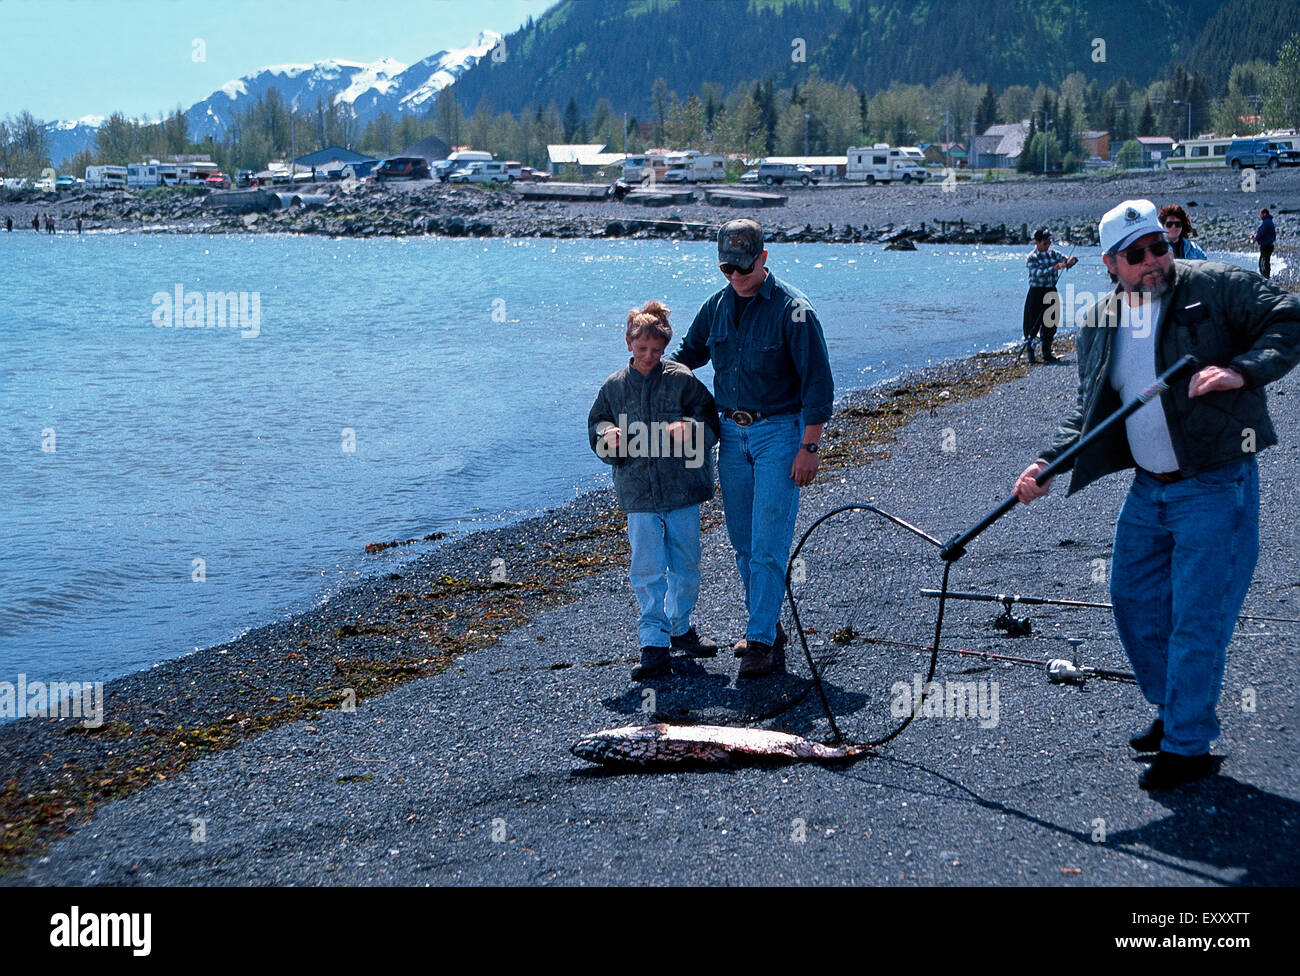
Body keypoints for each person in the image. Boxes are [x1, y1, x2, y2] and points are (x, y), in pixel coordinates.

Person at [1012, 198, 1300, 790]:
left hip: (1216, 482)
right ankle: (1173, 709)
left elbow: (1290, 317)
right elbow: (1089, 411)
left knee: (1197, 618)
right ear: (1110, 263)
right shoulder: (1102, 320)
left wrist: (1242, 369)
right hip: (1150, 488)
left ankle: (1189, 745)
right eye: (1136, 254)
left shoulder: (1215, 286)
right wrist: (1046, 462)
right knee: (1133, 601)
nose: (1152, 261)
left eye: (1158, 247)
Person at [673, 219, 834, 678]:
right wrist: (647, 373)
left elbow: (819, 386)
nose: (736, 276)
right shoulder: (717, 306)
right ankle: (768, 625)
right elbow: (688, 355)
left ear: (763, 259)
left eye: (743, 267)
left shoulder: (795, 312)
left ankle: (761, 641)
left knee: (768, 541)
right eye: (727, 268)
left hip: (781, 435)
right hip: (731, 435)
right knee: (742, 542)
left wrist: (810, 446)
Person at [588, 300, 721, 680]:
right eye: (642, 349)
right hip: (638, 495)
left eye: (657, 351)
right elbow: (596, 425)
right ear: (628, 343)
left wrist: (691, 429)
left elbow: (711, 420)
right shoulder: (613, 387)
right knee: (646, 568)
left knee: (687, 565)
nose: (649, 356)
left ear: (665, 348)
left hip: (683, 492)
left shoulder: (681, 379)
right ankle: (653, 643)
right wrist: (605, 436)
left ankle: (680, 628)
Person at [1022, 227, 1077, 363]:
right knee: (1032, 323)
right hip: (1036, 292)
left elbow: (1065, 261)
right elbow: (1037, 273)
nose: (1048, 245)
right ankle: (1031, 354)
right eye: (1045, 243)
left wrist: (1071, 261)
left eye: (1049, 243)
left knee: (1051, 321)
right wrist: (1054, 268)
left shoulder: (1053, 254)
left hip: (1051, 291)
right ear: (1037, 242)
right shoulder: (1031, 258)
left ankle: (1047, 353)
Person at [1252, 207, 1275, 279]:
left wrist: (1254, 237)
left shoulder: (1266, 222)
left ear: (1264, 214)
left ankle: (1265, 278)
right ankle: (1267, 277)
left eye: (1260, 214)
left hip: (1266, 246)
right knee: (1266, 262)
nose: (1260, 216)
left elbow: (1260, 233)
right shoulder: (1270, 222)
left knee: (1262, 263)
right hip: (1270, 245)